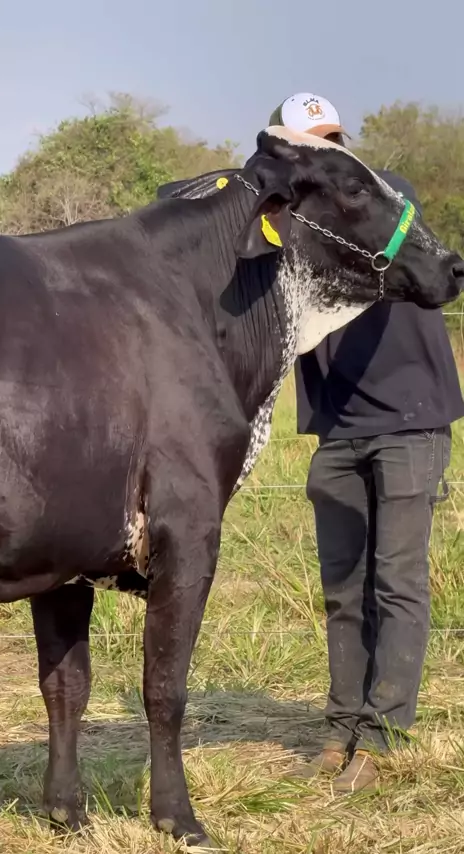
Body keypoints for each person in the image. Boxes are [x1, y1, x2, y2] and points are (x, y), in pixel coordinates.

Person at [268, 93, 464, 793]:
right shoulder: (281, 225)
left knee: (397, 580)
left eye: (334, 138)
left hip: (410, 419)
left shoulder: (383, 198)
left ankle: (383, 736)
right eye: (311, 141)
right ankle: (341, 725)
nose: (329, 150)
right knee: (342, 589)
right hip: (338, 428)